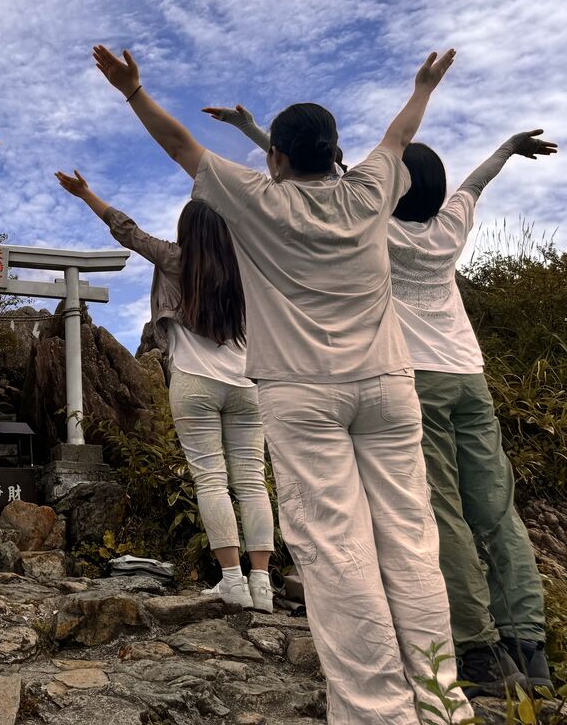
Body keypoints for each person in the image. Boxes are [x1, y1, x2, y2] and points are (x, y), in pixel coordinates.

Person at [91, 43, 472, 724]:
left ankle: (376, 712)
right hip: (389, 385)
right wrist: (422, 86)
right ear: (335, 152)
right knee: (412, 538)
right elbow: (400, 135)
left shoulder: (258, 200)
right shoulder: (370, 189)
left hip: (302, 396)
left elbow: (180, 146)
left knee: (337, 550)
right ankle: (444, 705)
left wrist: (134, 92)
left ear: (276, 158)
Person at [205, 106, 558, 695]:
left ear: (395, 186)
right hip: (469, 375)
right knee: (497, 510)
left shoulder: (374, 223)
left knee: (439, 515)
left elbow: (315, 172)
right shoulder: (450, 227)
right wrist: (508, 147)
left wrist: (250, 132)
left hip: (410, 377)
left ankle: (477, 650)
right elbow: (474, 183)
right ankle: (530, 645)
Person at [55, 170, 274, 611]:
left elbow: (128, 231)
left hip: (195, 381)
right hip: (246, 385)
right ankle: (263, 585)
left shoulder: (176, 259)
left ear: (186, 230)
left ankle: (232, 581)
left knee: (211, 480)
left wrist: (87, 194)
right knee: (252, 483)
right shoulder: (246, 270)